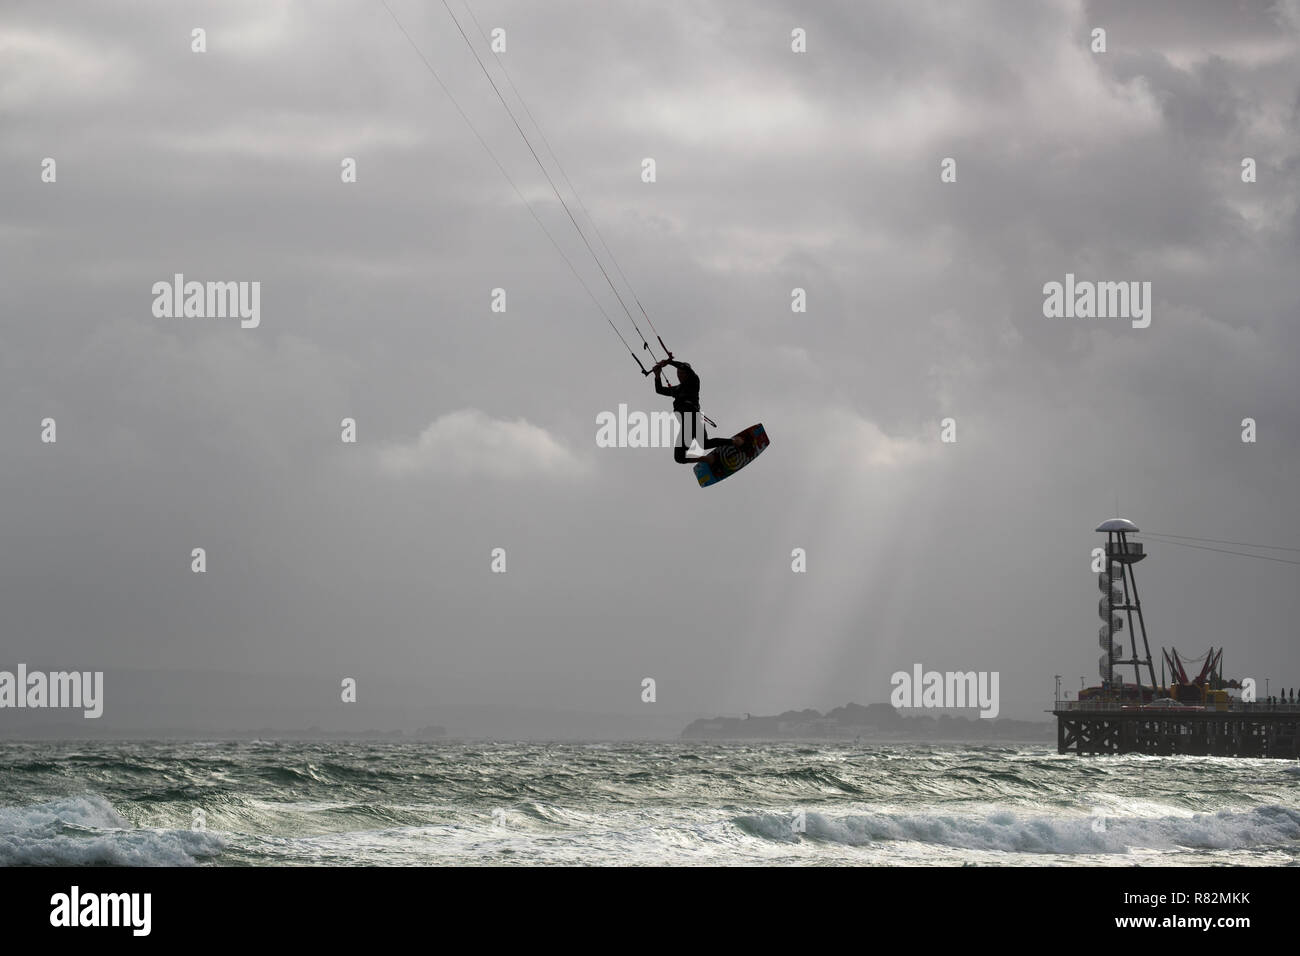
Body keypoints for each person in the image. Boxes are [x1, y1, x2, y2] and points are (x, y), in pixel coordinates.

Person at [651, 359, 742, 464]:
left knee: (703, 444)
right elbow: (660, 390)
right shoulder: (677, 389)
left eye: (682, 373)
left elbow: (684, 367)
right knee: (680, 457)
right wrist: (657, 375)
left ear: (688, 373)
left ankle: (734, 442)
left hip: (693, 417)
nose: (679, 375)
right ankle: (707, 459)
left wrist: (668, 362)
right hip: (686, 424)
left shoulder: (693, 381)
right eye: (678, 373)